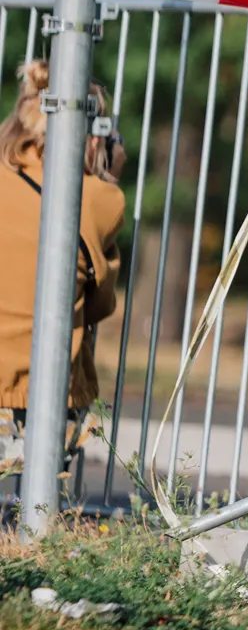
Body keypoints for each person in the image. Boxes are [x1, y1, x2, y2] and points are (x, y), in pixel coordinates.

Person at [0, 60, 124, 454]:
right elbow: (99, 305)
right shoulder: (97, 198)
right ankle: (44, 514)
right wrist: (111, 178)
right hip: (37, 387)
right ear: (91, 137)